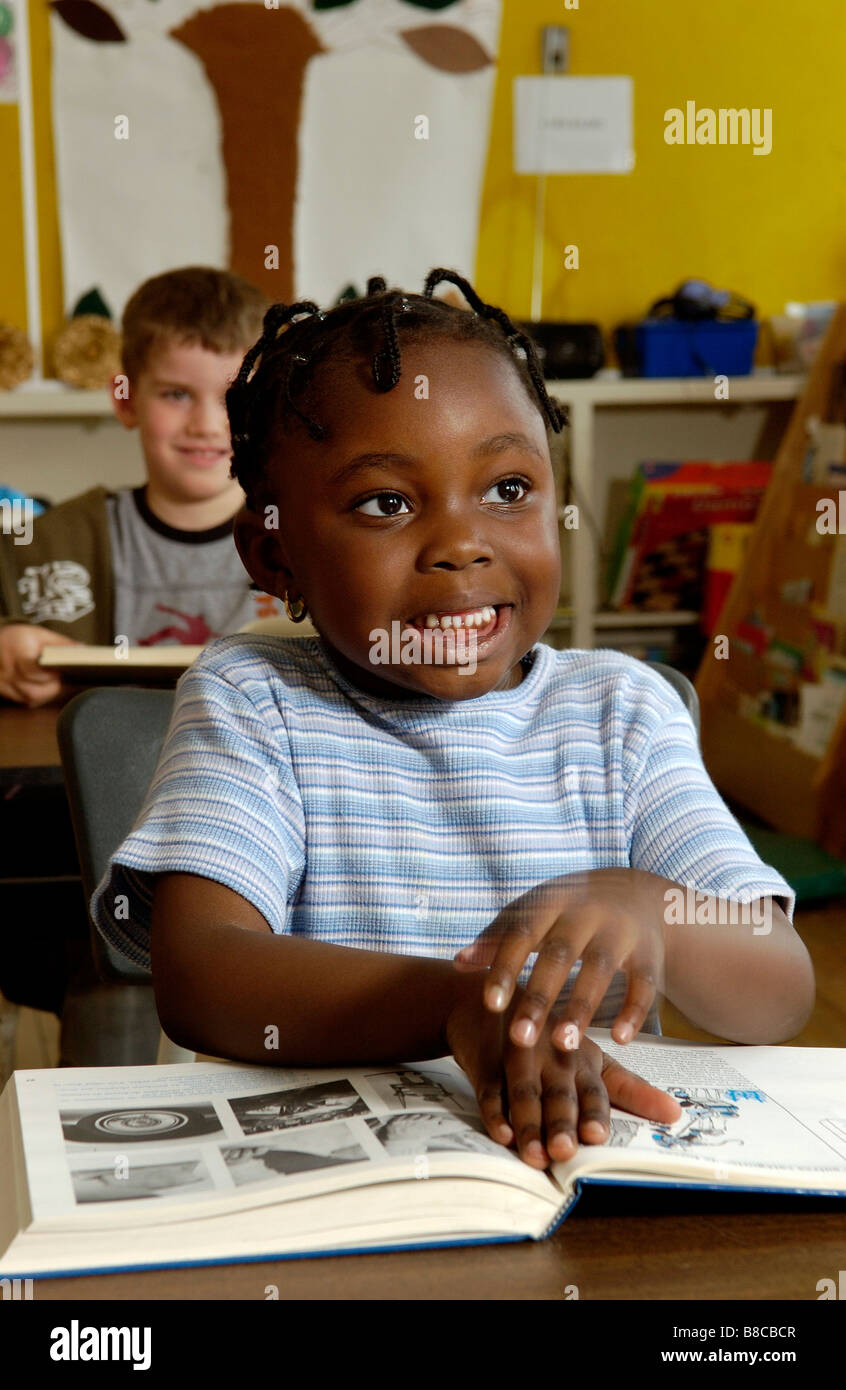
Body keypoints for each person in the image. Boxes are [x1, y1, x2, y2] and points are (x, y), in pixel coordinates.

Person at [91, 271, 814, 1171]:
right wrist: (458, 1004)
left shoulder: (622, 713)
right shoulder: (255, 698)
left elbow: (781, 989)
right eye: (387, 503)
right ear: (274, 555)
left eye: (508, 489)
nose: (461, 543)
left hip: (584, 1174)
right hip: (337, 1187)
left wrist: (649, 907)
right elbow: (201, 972)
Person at [0, 265, 283, 707]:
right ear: (126, 399)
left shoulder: (307, 539)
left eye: (235, 398)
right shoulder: (49, 540)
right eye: (176, 395)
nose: (207, 426)